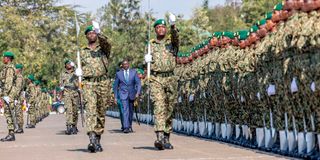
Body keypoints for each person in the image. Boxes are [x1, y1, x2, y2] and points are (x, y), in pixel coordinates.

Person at [75, 21, 112, 153]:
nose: (91, 35)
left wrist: (99, 31)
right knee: (90, 111)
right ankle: (91, 139)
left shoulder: (103, 49)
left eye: (93, 33)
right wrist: (78, 72)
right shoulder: (82, 52)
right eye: (89, 33)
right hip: (89, 83)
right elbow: (79, 68)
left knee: (101, 112)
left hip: (102, 83)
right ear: (86, 36)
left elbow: (107, 43)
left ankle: (98, 138)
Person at [144, 13, 179, 150]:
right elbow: (146, 64)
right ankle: (159, 137)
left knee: (169, 108)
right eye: (158, 27)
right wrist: (146, 59)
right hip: (156, 78)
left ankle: (166, 136)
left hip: (170, 78)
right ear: (155, 30)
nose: (161, 29)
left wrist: (173, 25)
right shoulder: (150, 45)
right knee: (159, 107)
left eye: (163, 27)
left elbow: (176, 37)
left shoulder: (172, 43)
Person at [113, 59, 141, 133]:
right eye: (124, 64)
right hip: (123, 94)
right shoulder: (118, 74)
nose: (125, 65)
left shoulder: (134, 72)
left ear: (129, 65)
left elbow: (138, 83)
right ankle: (126, 127)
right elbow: (115, 86)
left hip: (132, 94)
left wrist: (137, 92)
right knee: (125, 110)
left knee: (131, 111)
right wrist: (115, 97)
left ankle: (130, 125)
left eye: (127, 64)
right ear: (122, 65)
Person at [0, 51, 17, 141]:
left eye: (4, 57)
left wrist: (5, 94)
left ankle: (11, 134)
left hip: (9, 94)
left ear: (8, 58)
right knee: (8, 114)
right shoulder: (6, 68)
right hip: (8, 94)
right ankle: (11, 133)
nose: (3, 59)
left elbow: (8, 83)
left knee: (9, 114)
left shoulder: (9, 68)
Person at [60, 59, 79, 135]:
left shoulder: (76, 73)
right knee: (68, 110)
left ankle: (74, 126)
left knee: (75, 110)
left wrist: (75, 66)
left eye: (70, 64)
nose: (69, 65)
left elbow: (80, 80)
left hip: (75, 92)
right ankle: (68, 126)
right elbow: (61, 84)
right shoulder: (62, 74)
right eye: (67, 64)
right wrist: (61, 93)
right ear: (65, 66)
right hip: (67, 92)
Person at [14, 64, 25, 134]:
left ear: (18, 70)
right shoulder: (19, 77)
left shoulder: (19, 77)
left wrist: (15, 97)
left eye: (15, 69)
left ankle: (20, 128)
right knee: (19, 112)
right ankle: (20, 127)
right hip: (19, 97)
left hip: (18, 97)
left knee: (18, 113)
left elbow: (18, 89)